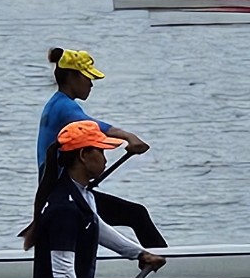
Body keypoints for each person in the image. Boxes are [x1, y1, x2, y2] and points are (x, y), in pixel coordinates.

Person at [25, 120, 185, 278]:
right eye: (100, 151)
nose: (105, 158)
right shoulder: (63, 209)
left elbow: (98, 227)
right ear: (83, 155)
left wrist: (139, 253)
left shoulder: (81, 192)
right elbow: (62, 273)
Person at [36, 47, 165, 247]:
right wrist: (128, 136)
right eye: (87, 77)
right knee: (137, 214)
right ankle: (165, 261)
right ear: (71, 77)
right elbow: (93, 128)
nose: (91, 83)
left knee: (125, 216)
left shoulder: (58, 104)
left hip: (61, 189)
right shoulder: (63, 106)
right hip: (63, 194)